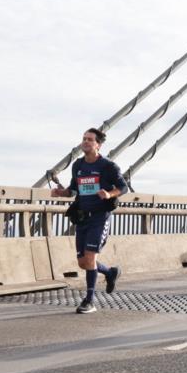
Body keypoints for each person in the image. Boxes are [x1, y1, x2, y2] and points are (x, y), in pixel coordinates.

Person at [51, 128, 124, 314]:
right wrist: (61, 193)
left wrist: (109, 193)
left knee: (91, 258)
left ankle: (89, 300)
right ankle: (110, 272)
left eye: (90, 139)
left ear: (98, 144)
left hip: (100, 217)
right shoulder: (78, 166)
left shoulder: (108, 166)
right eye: (84, 139)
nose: (85, 142)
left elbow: (123, 188)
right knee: (83, 263)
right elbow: (73, 190)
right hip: (82, 217)